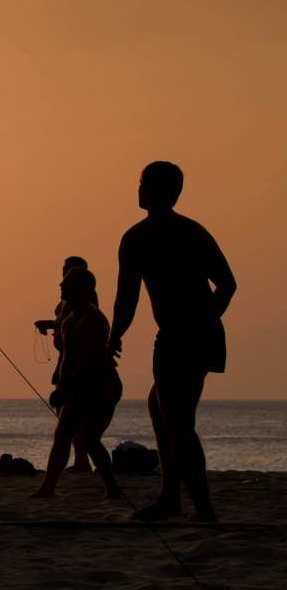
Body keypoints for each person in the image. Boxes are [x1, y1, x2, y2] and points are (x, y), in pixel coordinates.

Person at [110, 161, 236, 522]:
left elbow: (126, 300)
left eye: (141, 184)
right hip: (202, 333)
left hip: (181, 337)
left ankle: (202, 509)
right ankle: (170, 498)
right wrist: (208, 318)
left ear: (151, 190)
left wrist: (114, 337)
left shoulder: (138, 238)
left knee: (179, 423)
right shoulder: (193, 231)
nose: (137, 189)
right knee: (160, 407)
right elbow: (228, 285)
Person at [32, 267, 123, 500]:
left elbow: (87, 361)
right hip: (76, 385)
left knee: (90, 438)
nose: (61, 286)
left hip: (101, 385)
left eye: (67, 283)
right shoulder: (69, 319)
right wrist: (61, 387)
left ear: (83, 288)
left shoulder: (94, 319)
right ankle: (48, 488)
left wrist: (66, 390)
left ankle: (112, 488)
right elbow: (68, 360)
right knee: (62, 434)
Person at [34, 255, 94, 474]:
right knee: (66, 414)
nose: (63, 275)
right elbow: (65, 324)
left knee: (71, 416)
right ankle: (80, 461)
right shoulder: (67, 301)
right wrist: (49, 324)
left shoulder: (85, 300)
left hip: (74, 361)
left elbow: (81, 326)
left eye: (68, 270)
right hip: (65, 359)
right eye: (64, 269)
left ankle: (82, 461)